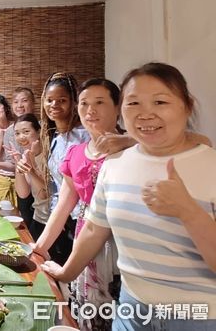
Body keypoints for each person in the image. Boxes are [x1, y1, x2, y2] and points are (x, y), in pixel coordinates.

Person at [42, 63, 216, 330]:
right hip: (131, 310)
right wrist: (65, 272)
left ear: (188, 106)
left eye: (160, 102)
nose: (145, 114)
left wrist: (189, 212)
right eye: (133, 103)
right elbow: (93, 229)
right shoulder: (115, 164)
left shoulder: (209, 164)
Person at [34, 78, 124, 331]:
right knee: (87, 314)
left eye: (99, 102)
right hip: (85, 240)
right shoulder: (76, 152)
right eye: (84, 103)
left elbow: (197, 142)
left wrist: (132, 142)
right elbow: (63, 207)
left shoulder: (136, 149)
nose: (90, 110)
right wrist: (37, 249)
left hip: (124, 244)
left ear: (118, 107)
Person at [38, 72, 88, 265]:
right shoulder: (56, 139)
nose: (54, 105)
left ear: (73, 102)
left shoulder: (84, 136)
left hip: (81, 218)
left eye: (62, 100)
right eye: (49, 100)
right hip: (61, 217)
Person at [7, 114, 48, 236]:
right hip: (39, 217)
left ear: (38, 131)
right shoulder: (26, 155)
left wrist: (30, 169)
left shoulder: (49, 155)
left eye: (26, 131)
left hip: (55, 221)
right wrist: (18, 162)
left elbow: (45, 193)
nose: (21, 137)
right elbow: (23, 193)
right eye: (17, 133)